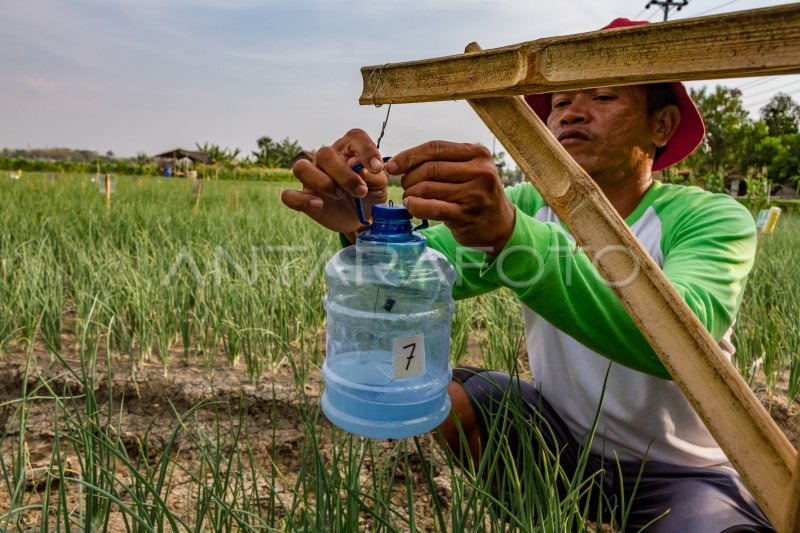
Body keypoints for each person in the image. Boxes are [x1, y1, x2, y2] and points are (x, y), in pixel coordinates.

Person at [282, 18, 772, 532]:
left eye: (603, 97)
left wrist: (511, 236)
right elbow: (416, 282)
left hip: (681, 472)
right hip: (565, 440)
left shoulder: (708, 218)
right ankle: (545, 518)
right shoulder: (530, 205)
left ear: (662, 125)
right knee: (442, 396)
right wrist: (368, 224)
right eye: (558, 103)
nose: (573, 112)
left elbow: (677, 340)